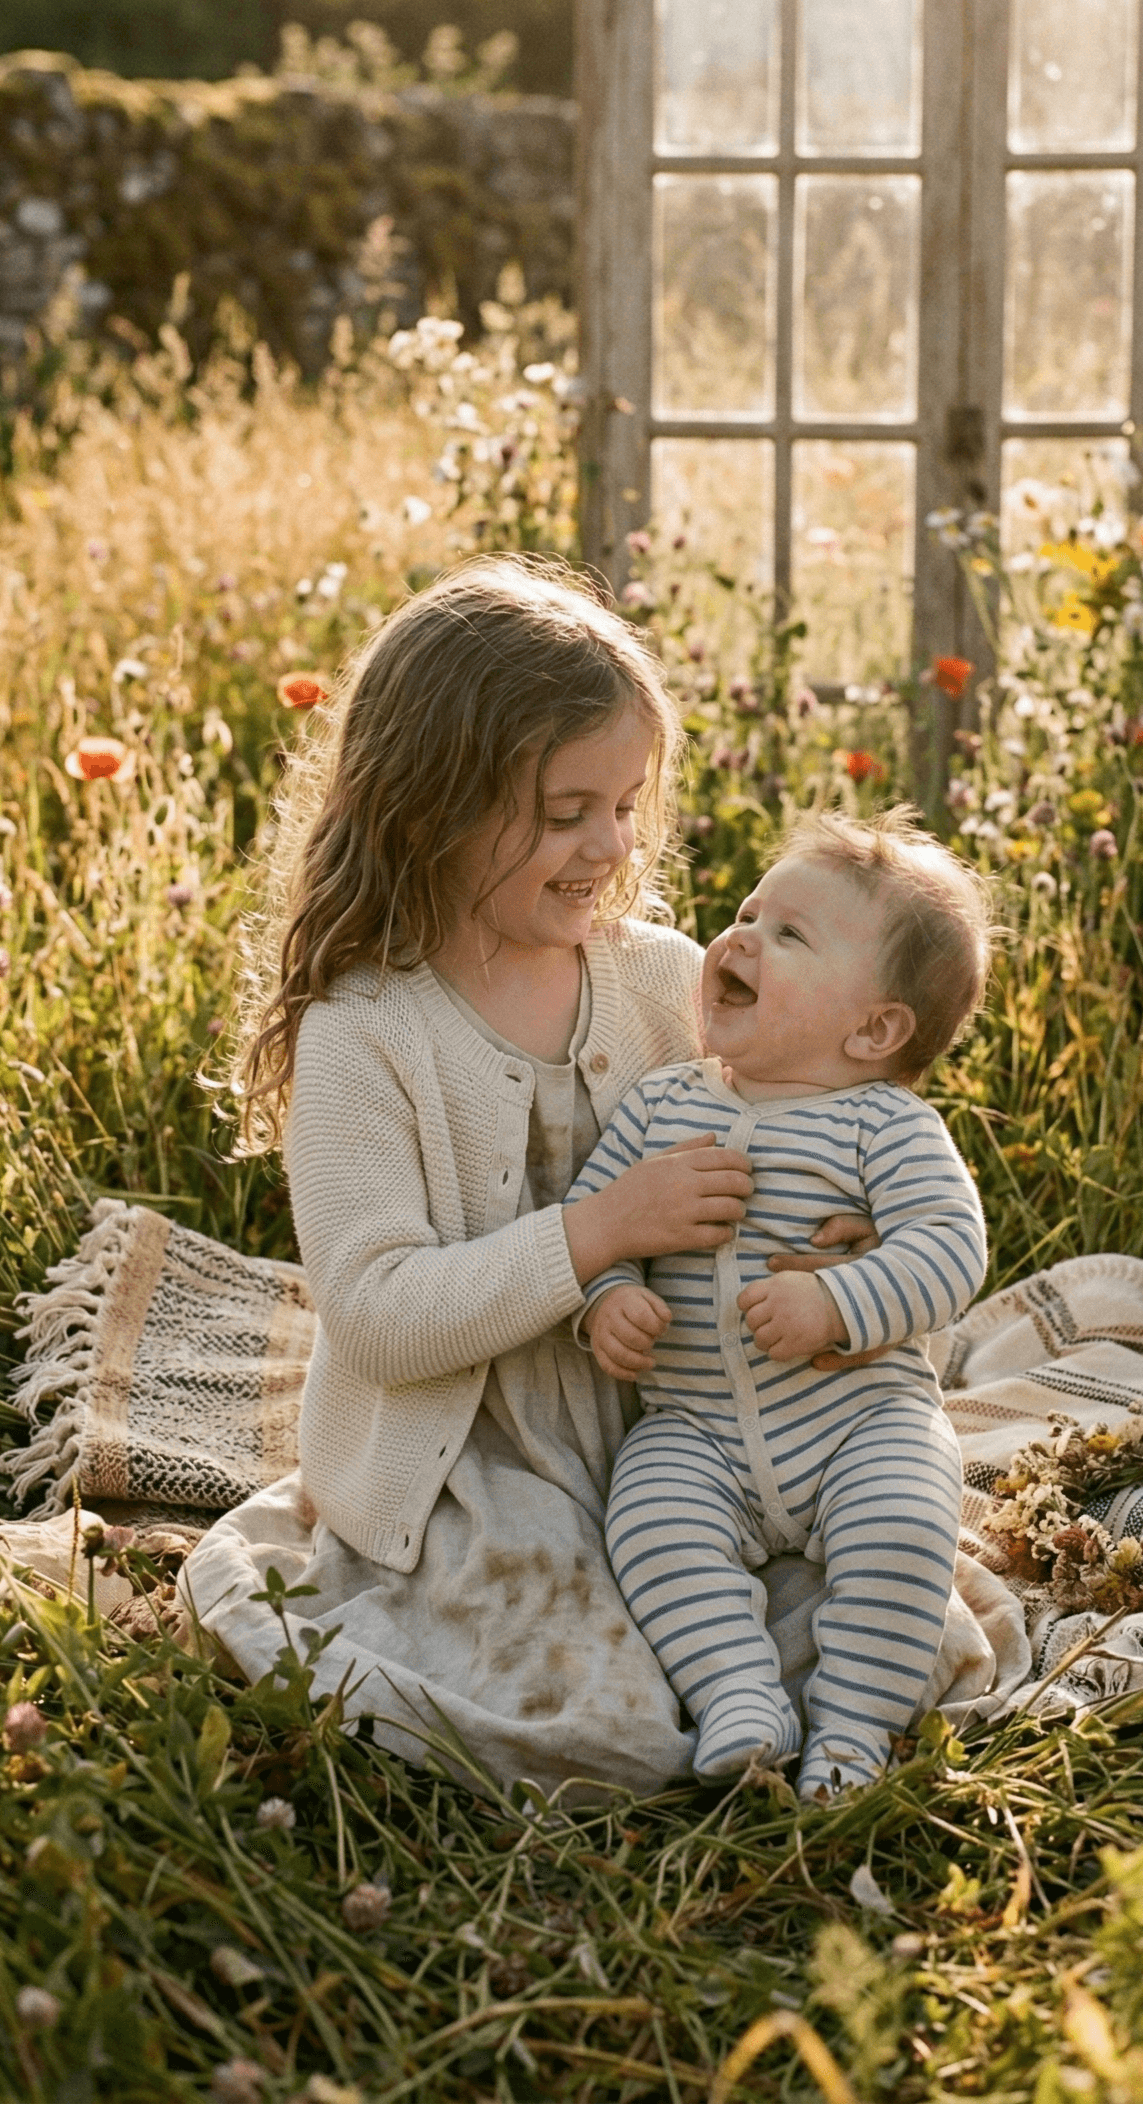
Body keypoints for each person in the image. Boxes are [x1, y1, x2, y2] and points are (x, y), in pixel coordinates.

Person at [200, 553, 889, 1796]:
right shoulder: (365, 1028)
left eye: (625, 803)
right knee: (613, 1723)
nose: (610, 843)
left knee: (881, 1589)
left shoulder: (654, 978)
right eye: (567, 810)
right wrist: (597, 1229)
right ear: (431, 805)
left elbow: (784, 1131)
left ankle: (780, 1689)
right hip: (478, 1453)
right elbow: (379, 1315)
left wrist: (830, 1239)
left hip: (684, 1424)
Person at [570, 812, 993, 1801]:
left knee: (904, 1523)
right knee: (648, 1515)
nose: (745, 935)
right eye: (750, 910)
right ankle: (738, 1695)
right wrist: (608, 1294)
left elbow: (948, 1249)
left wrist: (835, 1299)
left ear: (874, 1027)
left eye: (791, 934)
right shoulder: (663, 1103)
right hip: (698, 1426)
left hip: (858, 1421)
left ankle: (851, 1729)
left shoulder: (883, 1123)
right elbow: (593, 1216)